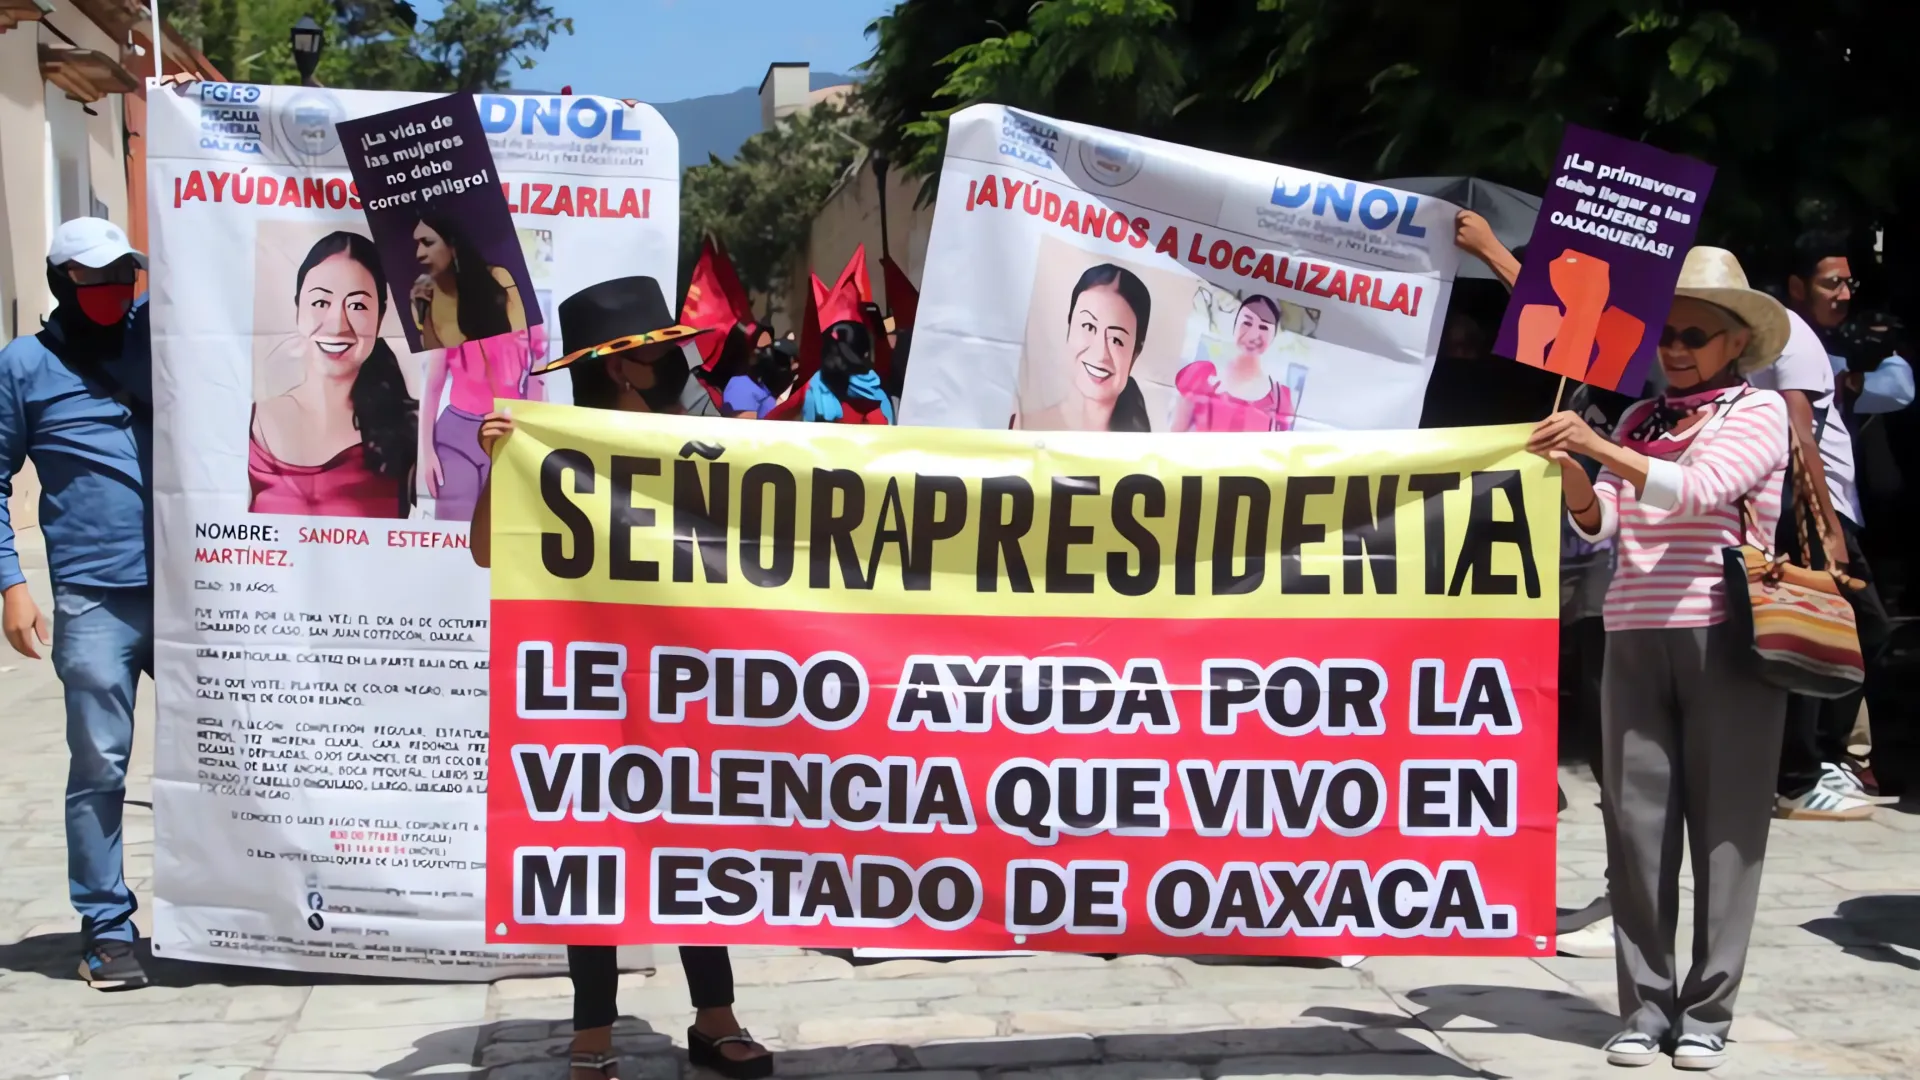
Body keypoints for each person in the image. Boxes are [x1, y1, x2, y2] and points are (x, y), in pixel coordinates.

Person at [468, 276, 765, 1079]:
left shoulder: (706, 445)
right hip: (590, 681)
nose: (680, 360)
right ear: (625, 368)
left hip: (688, 682)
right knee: (589, 844)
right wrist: (504, 462)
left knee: (694, 842)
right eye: (663, 351)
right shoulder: (553, 447)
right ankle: (591, 1031)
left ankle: (716, 1015)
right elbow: (491, 551)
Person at [1531, 247, 1793, 1072]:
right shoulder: (1641, 422)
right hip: (1634, 632)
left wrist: (1600, 452)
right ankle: (1645, 1008)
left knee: (1728, 832)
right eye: (1667, 334)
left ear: (1734, 345)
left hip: (1728, 637)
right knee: (1635, 832)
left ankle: (1708, 1011)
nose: (1675, 348)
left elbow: (1696, 492)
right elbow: (1599, 526)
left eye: (1695, 334)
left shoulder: (1757, 413)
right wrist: (1575, 472)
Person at [0, 218, 156, 989]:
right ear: (65, 283)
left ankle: (239, 916)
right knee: (100, 764)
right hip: (94, 598)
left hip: (197, 590)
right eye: (94, 280)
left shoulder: (160, 337)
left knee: (235, 754)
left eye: (123, 276)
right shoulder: (23, 366)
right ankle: (106, 927)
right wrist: (12, 584)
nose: (113, 292)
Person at [1743, 235, 1885, 819]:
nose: (1845, 294)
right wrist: (1827, 525)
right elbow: (1801, 435)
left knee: (1825, 630)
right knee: (1843, 628)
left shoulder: (1782, 336)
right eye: (1831, 282)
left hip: (1803, 502)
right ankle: (1801, 772)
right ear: (1798, 287)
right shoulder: (1795, 337)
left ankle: (1811, 762)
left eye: (1850, 282)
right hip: (1808, 504)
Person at [250, 232, 418, 518]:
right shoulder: (251, 423)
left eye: (357, 306)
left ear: (380, 317)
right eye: (320, 303)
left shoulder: (413, 428)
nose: (337, 325)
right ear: (297, 309)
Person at [419, 326, 546, 522]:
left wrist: (533, 441)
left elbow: (537, 380)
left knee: (501, 529)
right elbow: (433, 382)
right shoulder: (447, 315)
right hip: (457, 437)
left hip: (508, 430)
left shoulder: (526, 314)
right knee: (456, 530)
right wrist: (426, 452)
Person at [1014, 263, 1153, 432]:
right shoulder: (1023, 427)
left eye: (1116, 340)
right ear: (1069, 327)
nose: (1100, 353)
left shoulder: (1142, 451)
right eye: (1088, 327)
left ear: (1135, 354)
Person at [1171, 294, 1294, 432]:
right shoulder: (1200, 376)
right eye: (1247, 323)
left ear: (1273, 336)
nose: (1253, 335)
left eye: (1264, 327)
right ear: (1235, 325)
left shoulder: (1280, 399)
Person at [410, 207, 527, 350]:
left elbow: (521, 342)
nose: (419, 253)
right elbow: (435, 361)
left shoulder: (497, 277)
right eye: (417, 244)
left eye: (428, 242)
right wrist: (422, 318)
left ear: (453, 246)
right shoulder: (427, 298)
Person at [801, 320, 895, 424]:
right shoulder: (817, 389)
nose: (836, 361)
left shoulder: (880, 396)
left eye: (840, 355)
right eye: (833, 354)